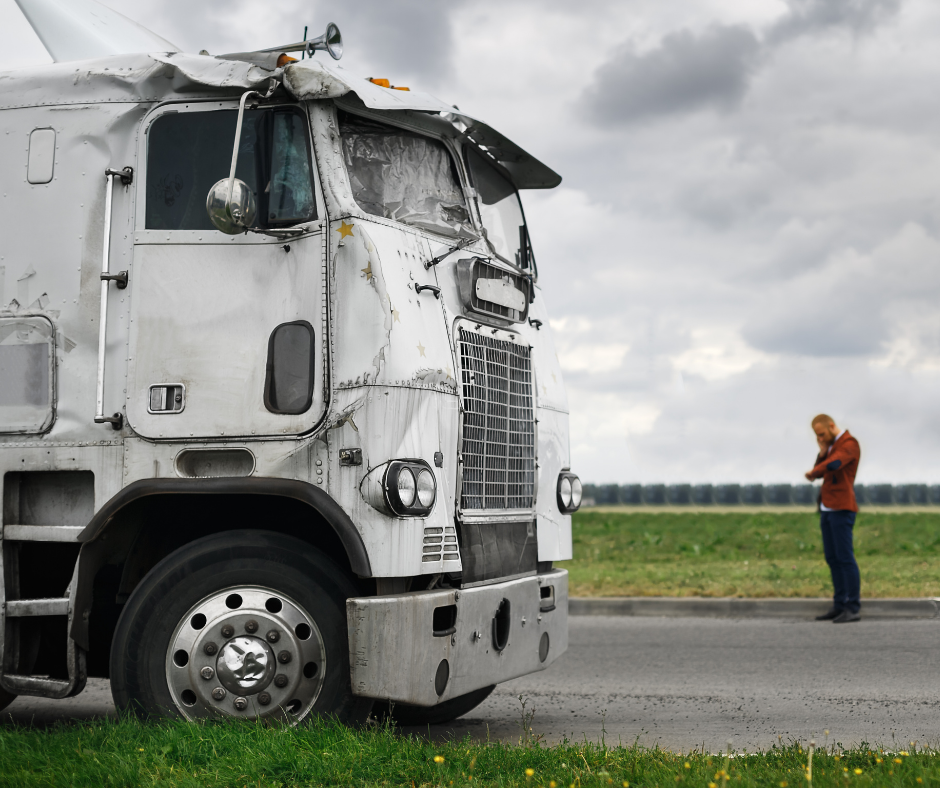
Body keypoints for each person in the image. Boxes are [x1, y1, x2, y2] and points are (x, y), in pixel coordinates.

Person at [804, 414, 862, 623]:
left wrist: (814, 471)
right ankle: (839, 605)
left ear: (831, 426)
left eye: (821, 434)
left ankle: (852, 607)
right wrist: (821, 453)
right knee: (832, 558)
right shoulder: (829, 447)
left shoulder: (849, 443)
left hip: (842, 507)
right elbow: (823, 467)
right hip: (827, 508)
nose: (820, 438)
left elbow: (835, 464)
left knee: (845, 558)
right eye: (816, 436)